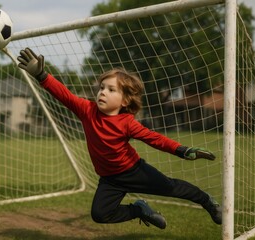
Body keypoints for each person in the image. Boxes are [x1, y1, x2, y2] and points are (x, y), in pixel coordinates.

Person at [17, 48, 222, 229]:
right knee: (100, 214)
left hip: (134, 172)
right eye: (102, 87)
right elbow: (65, 95)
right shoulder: (86, 110)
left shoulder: (127, 122)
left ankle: (208, 202)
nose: (102, 92)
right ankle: (139, 210)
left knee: (172, 187)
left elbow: (154, 138)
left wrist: (182, 150)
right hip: (109, 180)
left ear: (124, 100)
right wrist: (42, 75)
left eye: (111, 89)